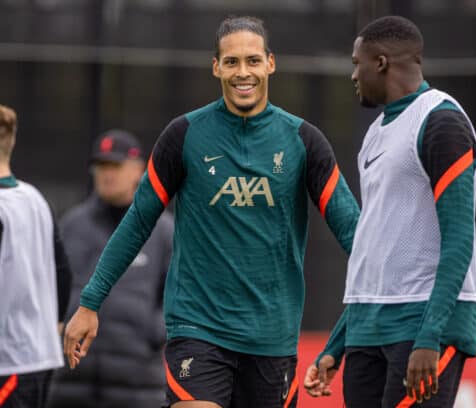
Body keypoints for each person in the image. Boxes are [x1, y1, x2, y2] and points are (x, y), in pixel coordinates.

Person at [63, 16, 360, 408]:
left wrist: (338, 343)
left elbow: (359, 241)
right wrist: (90, 304)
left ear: (270, 63)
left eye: (253, 61)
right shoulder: (183, 135)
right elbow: (137, 222)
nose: (243, 73)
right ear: (216, 67)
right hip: (198, 330)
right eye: (232, 62)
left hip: (273, 339)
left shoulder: (304, 142)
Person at [304, 15, 476, 408]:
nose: (353, 75)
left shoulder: (441, 121)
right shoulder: (375, 134)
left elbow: (459, 238)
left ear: (380, 62)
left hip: (422, 324)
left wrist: (430, 336)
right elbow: (375, 247)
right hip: (369, 328)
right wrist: (338, 344)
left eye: (356, 63)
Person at [47, 130, 174, 408]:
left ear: (139, 169)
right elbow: (49, 286)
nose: (107, 174)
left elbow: (179, 292)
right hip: (70, 383)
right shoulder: (72, 225)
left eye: (115, 166)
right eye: (101, 166)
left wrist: (152, 332)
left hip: (138, 385)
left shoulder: (164, 231)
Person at [0, 104, 72, 407]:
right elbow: (63, 270)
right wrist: (52, 324)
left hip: (9, 363)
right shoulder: (34, 198)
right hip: (36, 358)